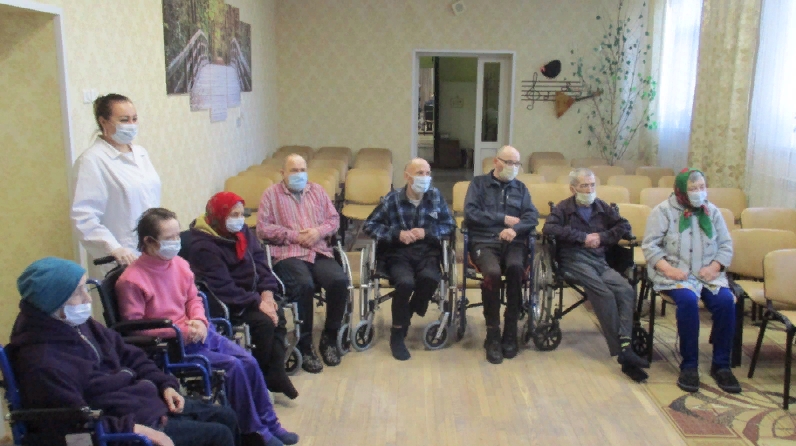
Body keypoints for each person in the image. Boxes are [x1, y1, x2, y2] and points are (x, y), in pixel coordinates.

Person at [7, 257, 240, 446]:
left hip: (143, 403)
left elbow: (131, 355)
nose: (87, 299)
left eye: (85, 289)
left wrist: (164, 384)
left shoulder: (81, 326)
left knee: (226, 416)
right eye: (78, 293)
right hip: (122, 427)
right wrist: (134, 429)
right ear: (54, 303)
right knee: (218, 435)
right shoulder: (42, 362)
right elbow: (72, 424)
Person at [115, 208, 299, 446]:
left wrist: (200, 321)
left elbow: (194, 298)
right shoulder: (131, 280)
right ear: (149, 242)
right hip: (171, 346)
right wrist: (180, 331)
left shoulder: (179, 264)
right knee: (233, 368)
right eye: (169, 238)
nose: (176, 242)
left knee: (249, 362)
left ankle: (271, 424)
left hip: (199, 332)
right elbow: (135, 329)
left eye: (177, 236)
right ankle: (255, 432)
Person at [542, 168, 650, 382]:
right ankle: (622, 352)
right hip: (574, 259)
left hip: (599, 259)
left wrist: (601, 237)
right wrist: (582, 237)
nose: (589, 189)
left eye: (592, 185)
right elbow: (549, 229)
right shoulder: (563, 208)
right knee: (604, 294)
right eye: (584, 185)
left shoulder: (602, 206)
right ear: (573, 188)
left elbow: (624, 225)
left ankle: (626, 342)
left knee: (625, 290)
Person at [188, 192, 298, 399]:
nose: (239, 220)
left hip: (252, 292)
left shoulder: (242, 231)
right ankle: (259, 376)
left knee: (277, 313)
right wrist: (257, 302)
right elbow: (223, 287)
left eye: (241, 214)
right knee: (264, 323)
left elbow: (260, 262)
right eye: (234, 215)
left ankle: (274, 372)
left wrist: (267, 293)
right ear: (218, 216)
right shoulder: (203, 245)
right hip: (228, 300)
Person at [642, 168, 740, 394]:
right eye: (693, 189)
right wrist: (669, 269)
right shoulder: (663, 211)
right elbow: (650, 246)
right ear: (681, 191)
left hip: (708, 274)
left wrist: (715, 267)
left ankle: (721, 365)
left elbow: (726, 245)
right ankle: (689, 365)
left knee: (726, 302)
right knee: (687, 301)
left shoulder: (712, 211)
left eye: (702, 187)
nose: (699, 192)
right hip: (676, 273)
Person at [257, 154, 347, 373]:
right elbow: (263, 229)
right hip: (289, 253)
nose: (299, 174)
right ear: (283, 173)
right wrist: (294, 235)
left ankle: (329, 337)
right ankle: (305, 345)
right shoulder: (271, 195)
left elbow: (334, 219)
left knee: (339, 281)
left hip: (318, 250)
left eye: (302, 170)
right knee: (304, 285)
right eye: (294, 170)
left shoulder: (317, 191)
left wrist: (318, 232)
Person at [363, 158, 456, 360]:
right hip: (398, 252)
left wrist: (427, 232)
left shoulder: (435, 196)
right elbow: (369, 225)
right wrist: (397, 234)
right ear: (407, 176)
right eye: (420, 173)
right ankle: (397, 335)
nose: (425, 177)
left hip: (427, 251)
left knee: (430, 279)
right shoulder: (392, 199)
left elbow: (449, 226)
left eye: (427, 173)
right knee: (405, 284)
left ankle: (409, 312)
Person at [463, 145, 538, 364]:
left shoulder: (521, 188)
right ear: (496, 162)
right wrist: (502, 219)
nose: (513, 167)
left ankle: (510, 331)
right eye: (509, 162)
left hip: (514, 242)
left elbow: (532, 216)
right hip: (485, 241)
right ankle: (493, 333)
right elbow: (471, 213)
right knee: (493, 273)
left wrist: (515, 229)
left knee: (516, 269)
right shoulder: (478, 184)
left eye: (516, 163)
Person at [71, 93, 160, 266]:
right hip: (120, 256)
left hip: (151, 249)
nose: (131, 125)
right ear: (103, 122)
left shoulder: (140, 153)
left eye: (134, 119)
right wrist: (114, 248)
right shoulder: (91, 160)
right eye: (124, 120)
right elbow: (84, 217)